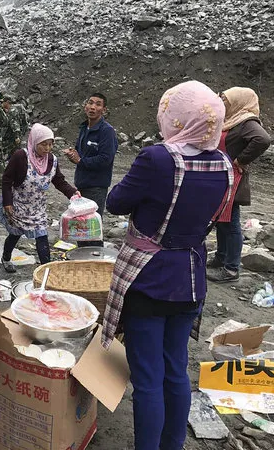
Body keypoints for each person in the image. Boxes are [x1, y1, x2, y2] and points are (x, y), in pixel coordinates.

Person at [101, 81, 232, 450]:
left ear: (173, 117)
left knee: (147, 377)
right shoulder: (222, 163)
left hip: (150, 278)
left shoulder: (157, 158)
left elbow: (116, 202)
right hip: (190, 278)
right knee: (175, 370)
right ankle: (172, 444)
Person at [207, 87, 272, 283]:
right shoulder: (232, 120)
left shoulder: (247, 122)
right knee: (221, 220)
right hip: (221, 177)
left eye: (226, 100)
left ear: (238, 102)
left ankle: (231, 269)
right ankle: (221, 258)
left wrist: (241, 160)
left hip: (232, 178)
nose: (223, 103)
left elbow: (263, 140)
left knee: (231, 222)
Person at [0, 124, 77, 270]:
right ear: (35, 142)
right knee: (15, 234)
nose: (47, 148)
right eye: (43, 144)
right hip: (18, 205)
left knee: (42, 236)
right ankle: (6, 258)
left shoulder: (52, 160)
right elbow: (7, 179)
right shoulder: (21, 156)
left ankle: (46, 271)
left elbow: (58, 180)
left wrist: (72, 192)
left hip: (37, 207)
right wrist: (7, 202)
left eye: (50, 144)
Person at [63, 92, 118, 246]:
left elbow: (106, 159)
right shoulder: (84, 127)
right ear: (85, 106)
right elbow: (80, 153)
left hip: (96, 187)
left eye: (98, 104)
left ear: (104, 110)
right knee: (81, 227)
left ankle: (94, 262)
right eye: (90, 103)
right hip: (81, 184)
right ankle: (82, 262)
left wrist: (81, 160)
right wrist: (73, 154)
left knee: (92, 230)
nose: (93, 107)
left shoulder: (107, 131)